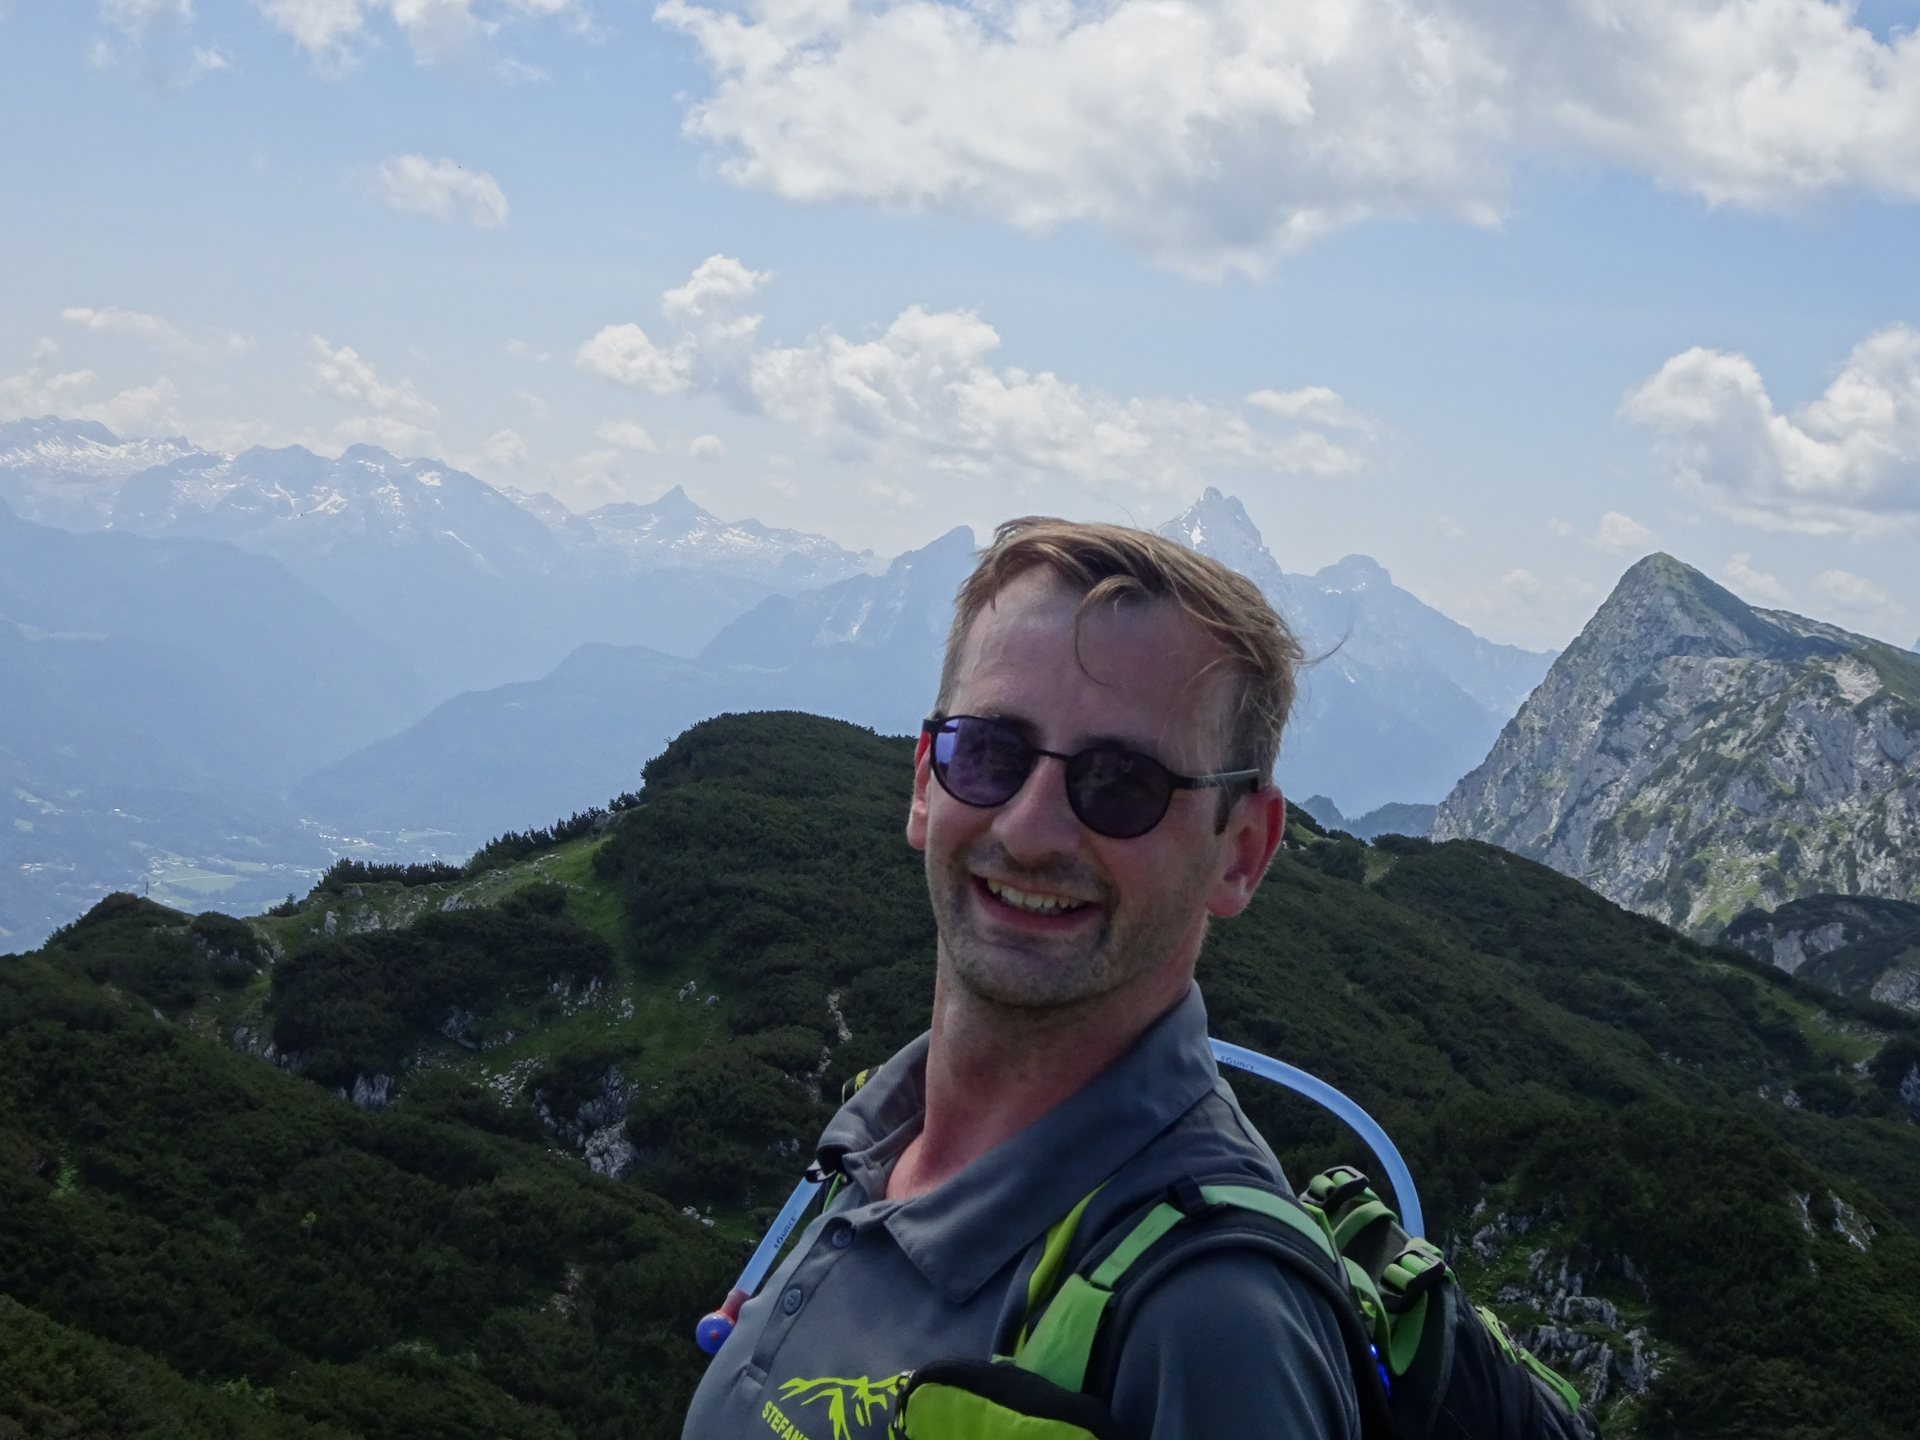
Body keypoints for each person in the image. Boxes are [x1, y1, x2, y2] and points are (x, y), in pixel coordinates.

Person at [681, 518, 1357, 1440]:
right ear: (926, 783)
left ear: (1242, 851)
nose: (1031, 831)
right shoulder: (877, 1137)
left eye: (1123, 783)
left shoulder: (1213, 1323)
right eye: (990, 752)